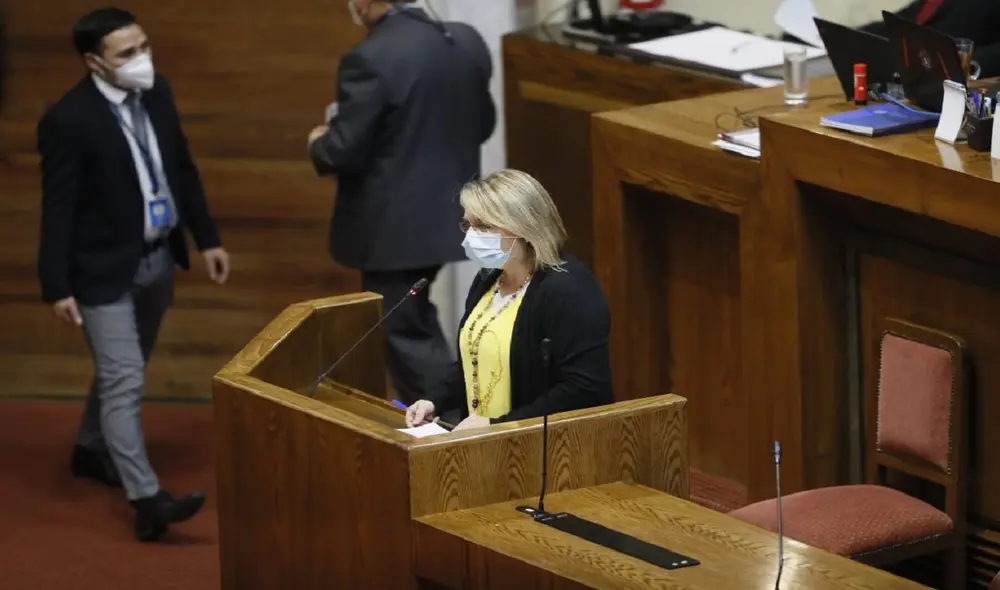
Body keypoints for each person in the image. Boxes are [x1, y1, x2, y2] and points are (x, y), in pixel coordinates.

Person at [37, 7, 230, 542]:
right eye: (126, 54)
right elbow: (58, 207)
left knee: (126, 364)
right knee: (125, 377)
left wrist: (207, 237)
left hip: (157, 258)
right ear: (94, 62)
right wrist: (56, 285)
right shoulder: (69, 120)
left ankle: (89, 447)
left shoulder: (157, 92)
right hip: (100, 270)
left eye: (143, 46)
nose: (141, 60)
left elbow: (182, 168)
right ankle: (147, 499)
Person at [307, 0, 496, 405]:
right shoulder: (465, 40)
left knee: (403, 330)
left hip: (395, 231)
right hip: (452, 214)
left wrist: (319, 142)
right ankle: (457, 417)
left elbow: (342, 150)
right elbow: (483, 124)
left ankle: (448, 427)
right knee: (415, 321)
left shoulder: (369, 56)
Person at [404, 170, 613, 431]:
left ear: (523, 227)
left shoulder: (569, 289)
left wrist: (498, 426)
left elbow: (584, 389)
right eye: (468, 225)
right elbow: (475, 359)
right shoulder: (488, 279)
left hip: (546, 450)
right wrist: (434, 400)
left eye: (484, 226)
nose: (471, 236)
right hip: (486, 444)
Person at [860, 0, 1000, 76]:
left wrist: (971, 63)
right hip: (913, 83)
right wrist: (856, 35)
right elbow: (902, 21)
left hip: (957, 91)